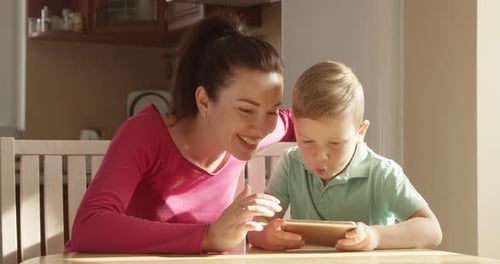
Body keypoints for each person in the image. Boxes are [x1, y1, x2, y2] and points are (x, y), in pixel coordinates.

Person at [65, 12, 295, 254]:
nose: (262, 127)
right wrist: (208, 236)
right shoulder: (144, 134)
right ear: (204, 101)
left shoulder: (247, 134)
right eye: (246, 110)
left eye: (272, 111)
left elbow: (299, 121)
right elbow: (89, 226)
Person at [247, 60, 442, 251]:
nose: (320, 156)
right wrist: (264, 236)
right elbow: (256, 226)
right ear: (296, 128)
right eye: (307, 141)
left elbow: (432, 230)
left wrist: (375, 236)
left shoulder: (381, 172)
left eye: (335, 143)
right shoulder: (292, 162)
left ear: (360, 131)